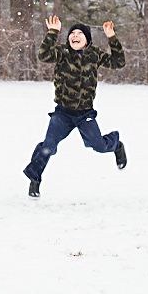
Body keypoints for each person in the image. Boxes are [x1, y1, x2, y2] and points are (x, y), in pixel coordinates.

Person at [23, 16, 127, 198]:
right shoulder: (62, 53)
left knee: (99, 146)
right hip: (63, 112)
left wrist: (112, 38)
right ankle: (35, 179)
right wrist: (53, 32)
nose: (75, 36)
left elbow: (119, 62)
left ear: (87, 40)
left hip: (85, 112)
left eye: (80, 33)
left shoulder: (94, 55)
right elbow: (43, 55)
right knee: (48, 145)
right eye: (72, 33)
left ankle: (116, 144)